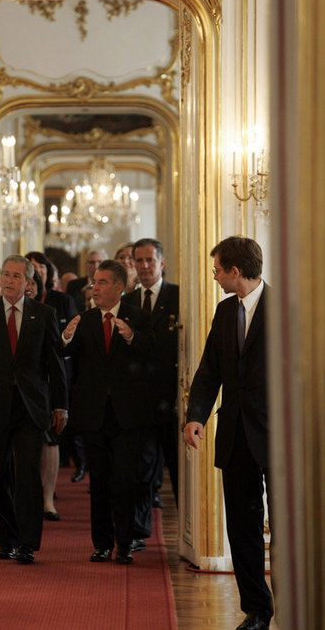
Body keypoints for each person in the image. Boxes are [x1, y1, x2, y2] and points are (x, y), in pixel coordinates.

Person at [184, 236, 273, 630]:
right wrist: (195, 415)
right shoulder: (224, 312)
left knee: (287, 524)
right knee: (242, 524)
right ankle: (257, 609)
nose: (215, 275)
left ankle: (294, 599)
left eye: (218, 268)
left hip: (278, 435)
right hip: (235, 435)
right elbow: (209, 371)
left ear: (235, 271)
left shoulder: (286, 308)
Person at [0, 255, 68, 564]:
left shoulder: (44, 315)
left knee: (29, 474)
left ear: (28, 283)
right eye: (5, 274)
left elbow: (55, 364)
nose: (7, 280)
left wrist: (61, 405)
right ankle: (6, 539)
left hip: (32, 408)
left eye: (15, 276)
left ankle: (28, 543)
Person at [62, 260, 154, 564]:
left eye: (101, 282)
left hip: (128, 416)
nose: (94, 288)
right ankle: (102, 544)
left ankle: (125, 543)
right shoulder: (84, 320)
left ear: (118, 287)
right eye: (93, 282)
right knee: (98, 481)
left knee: (125, 480)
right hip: (93, 415)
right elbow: (66, 356)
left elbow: (153, 352)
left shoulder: (138, 317)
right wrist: (65, 338)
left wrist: (130, 337)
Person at [122, 236, 180, 541]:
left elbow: (171, 348)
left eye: (150, 260)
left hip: (172, 398)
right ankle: (138, 531)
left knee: (179, 470)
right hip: (138, 400)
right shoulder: (128, 301)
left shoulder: (178, 296)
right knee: (141, 470)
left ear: (161, 262)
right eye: (138, 260)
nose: (144, 266)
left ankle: (189, 534)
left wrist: (137, 339)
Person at [26, 252, 79, 510]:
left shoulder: (60, 302)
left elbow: (71, 345)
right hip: (23, 385)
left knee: (50, 438)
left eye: (37, 273)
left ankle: (48, 497)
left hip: (51, 382)